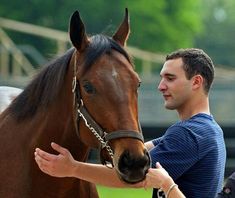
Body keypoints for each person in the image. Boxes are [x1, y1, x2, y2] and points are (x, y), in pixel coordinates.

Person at [34, 48, 226, 198]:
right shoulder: (209, 130)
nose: (160, 86)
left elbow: (133, 176)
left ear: (196, 82)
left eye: (170, 78)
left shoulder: (189, 135)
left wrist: (72, 168)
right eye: (161, 78)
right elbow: (140, 151)